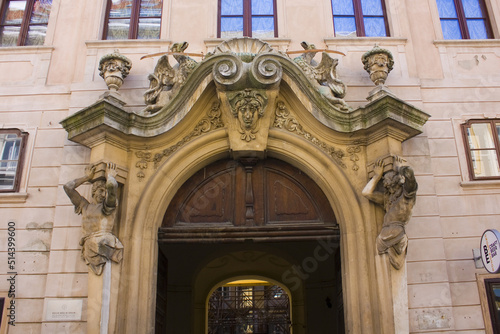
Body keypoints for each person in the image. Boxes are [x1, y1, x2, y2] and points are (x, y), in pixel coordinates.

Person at [63, 162, 123, 275]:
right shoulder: (84, 206)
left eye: (105, 192)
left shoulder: (107, 208)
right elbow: (67, 187)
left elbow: (111, 193)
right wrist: (86, 177)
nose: (103, 195)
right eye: (101, 190)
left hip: (105, 245)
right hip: (89, 247)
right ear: (93, 191)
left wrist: (110, 177)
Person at [362, 157, 418, 269]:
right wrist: (376, 177)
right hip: (385, 234)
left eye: (386, 181)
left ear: (395, 181)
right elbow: (366, 193)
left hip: (396, 233)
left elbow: (410, 176)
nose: (385, 184)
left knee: (389, 266)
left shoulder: (407, 196)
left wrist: (399, 168)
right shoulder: (388, 199)